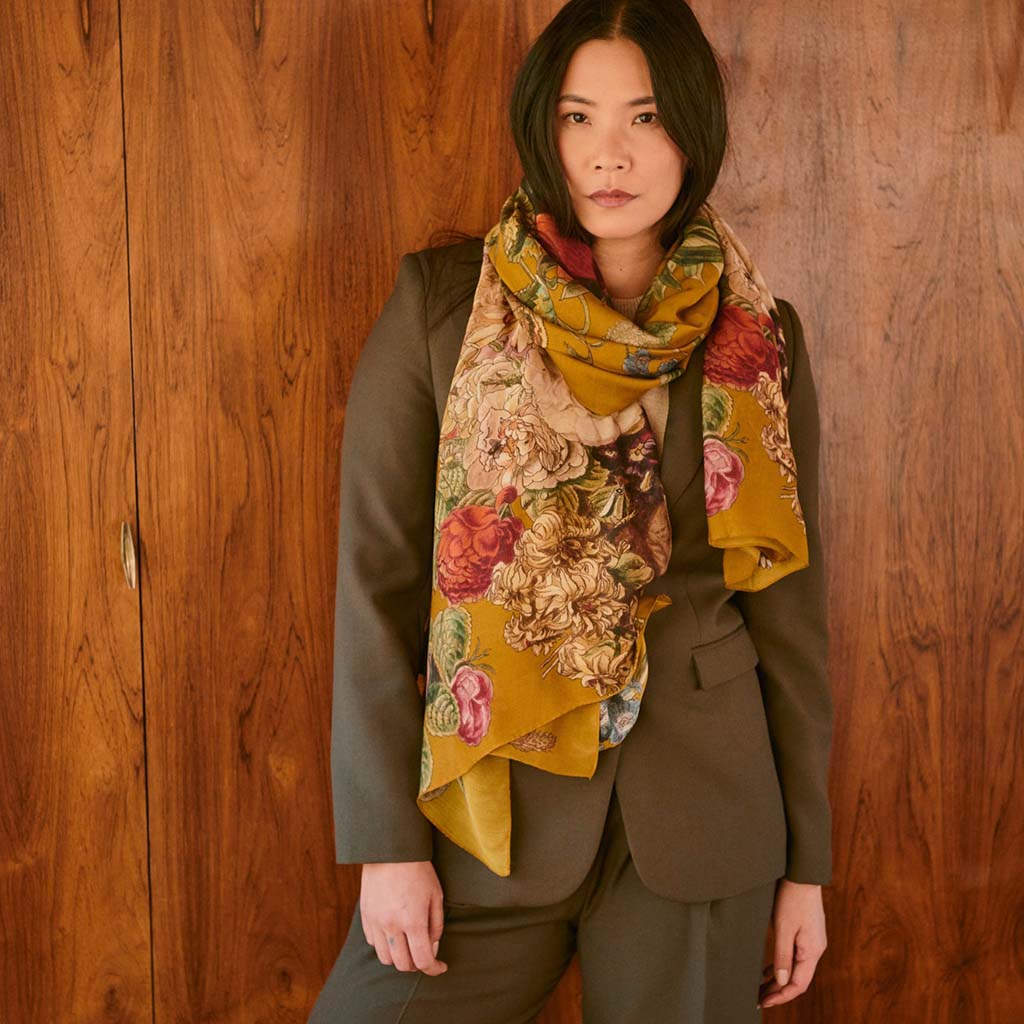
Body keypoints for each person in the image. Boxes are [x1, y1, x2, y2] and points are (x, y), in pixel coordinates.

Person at [309, 1, 833, 1021]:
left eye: (645, 116)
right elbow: (376, 585)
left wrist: (807, 865)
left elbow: (789, 614)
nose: (608, 154)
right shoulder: (441, 307)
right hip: (488, 811)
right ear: (542, 129)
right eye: (577, 117)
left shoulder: (761, 336)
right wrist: (385, 844)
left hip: (700, 820)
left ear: (692, 130)